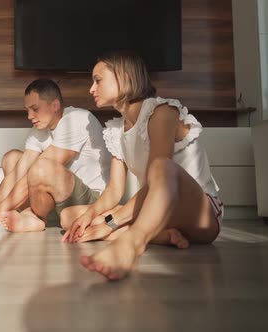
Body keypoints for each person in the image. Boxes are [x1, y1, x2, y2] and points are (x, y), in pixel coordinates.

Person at [61, 50, 223, 280]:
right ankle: (161, 235)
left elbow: (157, 180)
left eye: (98, 80)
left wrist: (110, 224)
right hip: (159, 208)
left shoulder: (162, 113)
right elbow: (115, 191)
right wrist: (91, 216)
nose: (91, 89)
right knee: (71, 217)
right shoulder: (116, 130)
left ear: (125, 77)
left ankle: (131, 243)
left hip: (201, 214)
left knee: (161, 168)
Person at [0, 79, 111, 232]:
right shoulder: (38, 132)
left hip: (90, 199)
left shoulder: (76, 120)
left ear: (55, 105)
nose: (29, 116)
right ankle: (34, 217)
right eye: (28, 110)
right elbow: (16, 175)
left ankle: (34, 218)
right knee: (12, 158)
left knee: (41, 167)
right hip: (58, 200)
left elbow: (34, 175)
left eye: (35, 109)